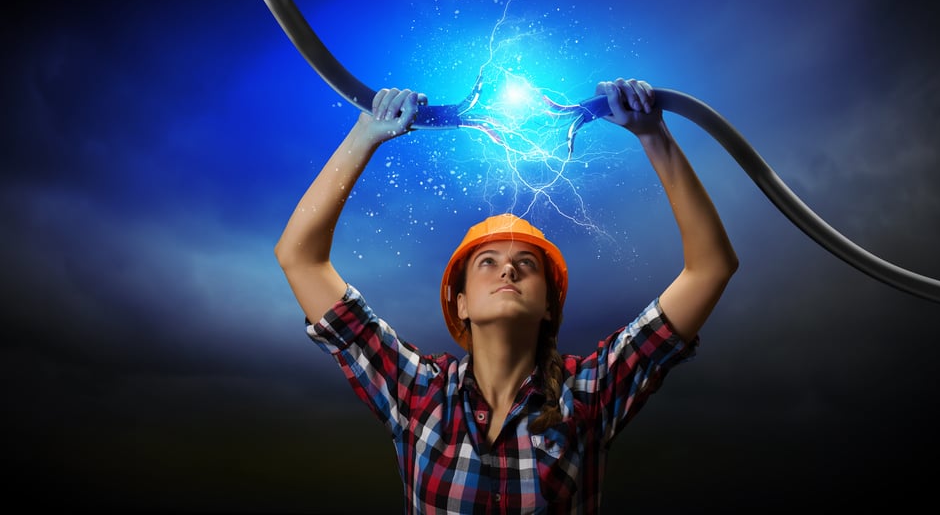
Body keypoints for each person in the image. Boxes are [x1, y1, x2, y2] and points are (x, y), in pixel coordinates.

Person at [274, 78, 739, 513]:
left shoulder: (591, 393)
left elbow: (711, 268)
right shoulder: (416, 392)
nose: (509, 269)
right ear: (460, 302)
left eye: (527, 265)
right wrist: (365, 135)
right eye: (486, 263)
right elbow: (300, 257)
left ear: (549, 304)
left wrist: (653, 134)